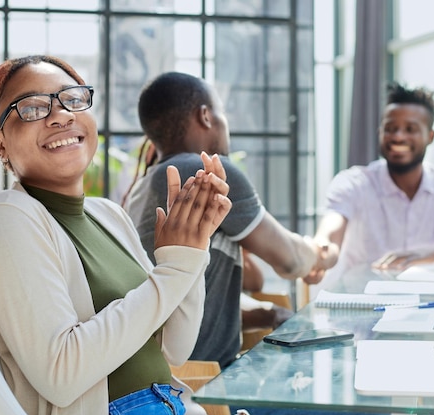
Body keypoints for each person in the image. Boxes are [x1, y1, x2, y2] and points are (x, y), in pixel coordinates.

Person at [0, 55, 232, 415]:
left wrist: (191, 251)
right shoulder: (8, 218)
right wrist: (173, 272)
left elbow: (174, 349)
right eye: (32, 107)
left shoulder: (108, 215)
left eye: (73, 99)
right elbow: (61, 374)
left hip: (172, 404)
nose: (61, 114)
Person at [124, 71, 335, 369]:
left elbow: (190, 298)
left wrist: (268, 313)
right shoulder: (206, 172)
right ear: (206, 116)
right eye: (223, 112)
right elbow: (292, 262)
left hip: (166, 376)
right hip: (204, 383)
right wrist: (324, 253)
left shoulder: (141, 188)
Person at [307, 81, 434, 282]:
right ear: (380, 132)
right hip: (360, 307)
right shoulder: (352, 183)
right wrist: (321, 254)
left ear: (430, 136)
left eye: (410, 129)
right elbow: (330, 235)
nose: (398, 137)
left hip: (427, 306)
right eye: (390, 128)